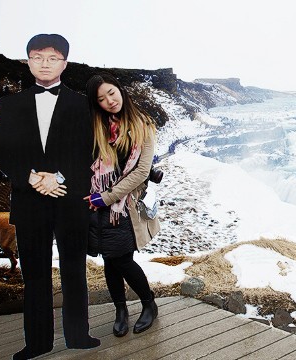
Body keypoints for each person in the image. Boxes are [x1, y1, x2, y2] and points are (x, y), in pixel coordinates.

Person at [0, 34, 99, 359]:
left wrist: (58, 178)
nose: (45, 63)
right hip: (29, 201)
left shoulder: (82, 104)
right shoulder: (8, 105)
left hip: (70, 198)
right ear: (28, 61)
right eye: (38, 56)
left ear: (64, 63)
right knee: (35, 275)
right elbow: (0, 151)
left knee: (74, 269)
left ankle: (78, 336)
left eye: (53, 57)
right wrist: (33, 178)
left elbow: (87, 150)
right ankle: (38, 343)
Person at [84, 72, 161, 337]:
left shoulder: (143, 125)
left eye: (112, 93)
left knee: (122, 259)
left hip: (122, 207)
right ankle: (120, 310)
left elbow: (141, 172)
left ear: (120, 90)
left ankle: (148, 303)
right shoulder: (97, 126)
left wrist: (105, 197)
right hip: (97, 206)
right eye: (102, 99)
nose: (109, 101)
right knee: (110, 260)